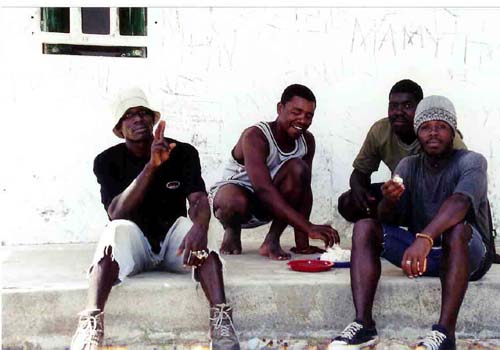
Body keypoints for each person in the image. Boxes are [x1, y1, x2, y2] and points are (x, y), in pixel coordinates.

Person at [70, 88, 239, 350]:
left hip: (176, 246)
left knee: (201, 230)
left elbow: (197, 199)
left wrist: (200, 227)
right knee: (113, 232)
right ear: (119, 128)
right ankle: (91, 322)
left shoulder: (182, 152)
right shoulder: (107, 161)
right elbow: (116, 212)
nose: (138, 119)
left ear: (153, 120)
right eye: (129, 115)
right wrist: (152, 166)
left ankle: (221, 322)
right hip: (135, 246)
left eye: (143, 113)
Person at [329, 96, 494, 350]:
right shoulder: (408, 165)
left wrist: (424, 238)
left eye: (441, 126)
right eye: (426, 127)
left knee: (456, 230)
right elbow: (386, 218)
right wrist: (389, 201)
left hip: (467, 255)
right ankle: (363, 325)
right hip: (423, 256)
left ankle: (444, 334)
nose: (433, 133)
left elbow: (459, 203)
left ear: (453, 132)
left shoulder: (471, 161)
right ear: (418, 133)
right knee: (365, 226)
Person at [210, 84, 339, 260]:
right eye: (296, 112)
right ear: (280, 108)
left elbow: (304, 189)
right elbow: (263, 189)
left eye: (309, 116)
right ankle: (232, 230)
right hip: (236, 202)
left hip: (271, 206)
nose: (303, 120)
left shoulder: (307, 141)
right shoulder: (255, 136)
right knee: (232, 200)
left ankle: (272, 240)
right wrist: (309, 227)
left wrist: (303, 244)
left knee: (298, 169)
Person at [338, 80, 466, 223]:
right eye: (393, 106)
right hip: (398, 194)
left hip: (434, 198)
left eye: (407, 106)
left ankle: (430, 236)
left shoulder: (441, 136)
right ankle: (381, 234)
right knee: (347, 202)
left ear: (420, 109)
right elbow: (359, 173)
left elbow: (465, 182)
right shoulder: (380, 130)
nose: (398, 112)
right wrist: (359, 191)